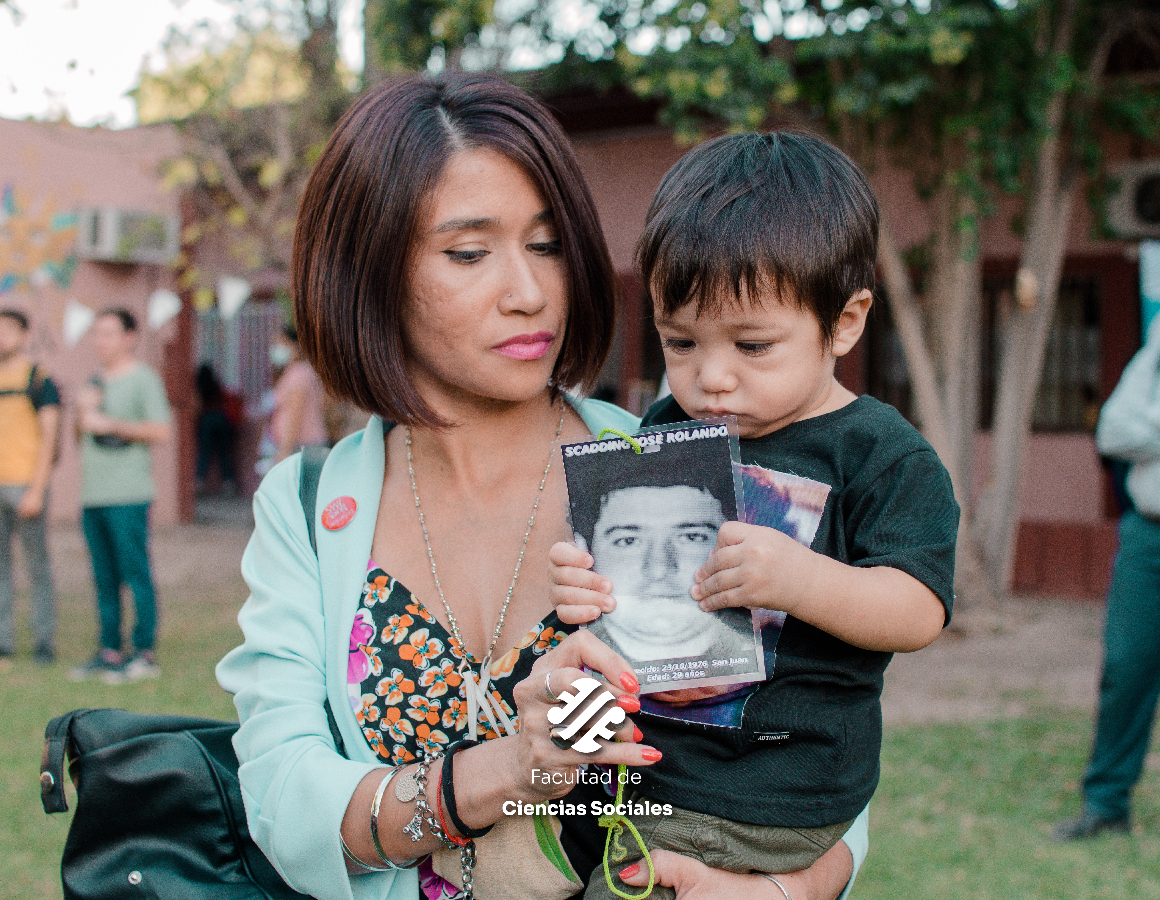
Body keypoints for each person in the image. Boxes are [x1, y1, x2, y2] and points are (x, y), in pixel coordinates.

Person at [215, 75, 868, 900]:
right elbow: (280, 796)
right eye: (469, 252)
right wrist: (504, 772)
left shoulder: (672, 459)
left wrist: (784, 892)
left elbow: (818, 731)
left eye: (549, 243)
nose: (529, 293)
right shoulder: (308, 505)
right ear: (370, 270)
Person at [550, 131, 959, 900]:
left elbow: (918, 611)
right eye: (681, 341)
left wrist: (801, 579)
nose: (712, 377)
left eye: (753, 344)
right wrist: (585, 587)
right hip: (642, 771)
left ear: (844, 321)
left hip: (774, 793)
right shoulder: (668, 426)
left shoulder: (881, 456)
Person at [1052, 259, 1160, 857]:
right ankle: (1106, 805)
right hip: (1146, 538)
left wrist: (1156, 426)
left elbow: (1138, 425)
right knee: (1125, 674)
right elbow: (1113, 429)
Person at [569, 444, 756, 668]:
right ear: (585, 550)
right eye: (628, 541)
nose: (658, 570)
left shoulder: (781, 649)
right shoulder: (560, 661)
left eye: (691, 537)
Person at [70, 308, 171, 684]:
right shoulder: (92, 383)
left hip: (128, 493)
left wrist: (111, 423)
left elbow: (161, 432)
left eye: (110, 334)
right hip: (93, 494)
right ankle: (109, 650)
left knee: (135, 572)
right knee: (103, 577)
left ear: (130, 337)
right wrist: (82, 412)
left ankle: (143, 651)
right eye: (97, 333)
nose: (101, 341)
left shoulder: (143, 379)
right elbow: (80, 437)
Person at [0, 308, 61, 667]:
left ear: (24, 335)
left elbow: (50, 437)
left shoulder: (39, 380)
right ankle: (4, 643)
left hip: (26, 484)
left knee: (37, 566)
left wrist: (37, 489)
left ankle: (43, 642)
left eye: (8, 330)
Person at [266, 324, 328, 467]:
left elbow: (295, 415)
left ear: (295, 346)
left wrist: (284, 451)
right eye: (275, 344)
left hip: (303, 448)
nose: (276, 348)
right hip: (301, 447)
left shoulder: (298, 375)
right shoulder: (294, 373)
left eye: (281, 343)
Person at [196, 363, 241, 496]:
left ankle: (199, 482)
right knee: (224, 452)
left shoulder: (200, 386)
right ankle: (229, 483)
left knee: (205, 452)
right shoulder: (215, 385)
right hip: (222, 419)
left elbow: (197, 405)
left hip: (207, 419)